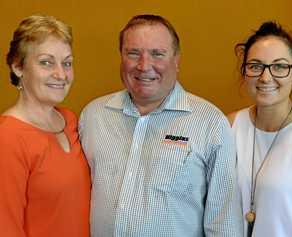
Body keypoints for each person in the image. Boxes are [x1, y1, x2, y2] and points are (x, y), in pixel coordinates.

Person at [79, 14, 242, 237]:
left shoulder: (210, 123)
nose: (144, 66)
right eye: (133, 53)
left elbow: (224, 224)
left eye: (158, 54)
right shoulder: (93, 116)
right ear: (121, 57)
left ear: (176, 61)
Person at [0, 15, 91, 237]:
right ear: (18, 67)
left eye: (67, 63)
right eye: (46, 62)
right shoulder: (8, 138)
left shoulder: (70, 121)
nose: (61, 74)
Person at [227, 21, 292, 237]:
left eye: (279, 66)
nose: (266, 77)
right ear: (244, 72)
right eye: (256, 66)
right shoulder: (229, 125)